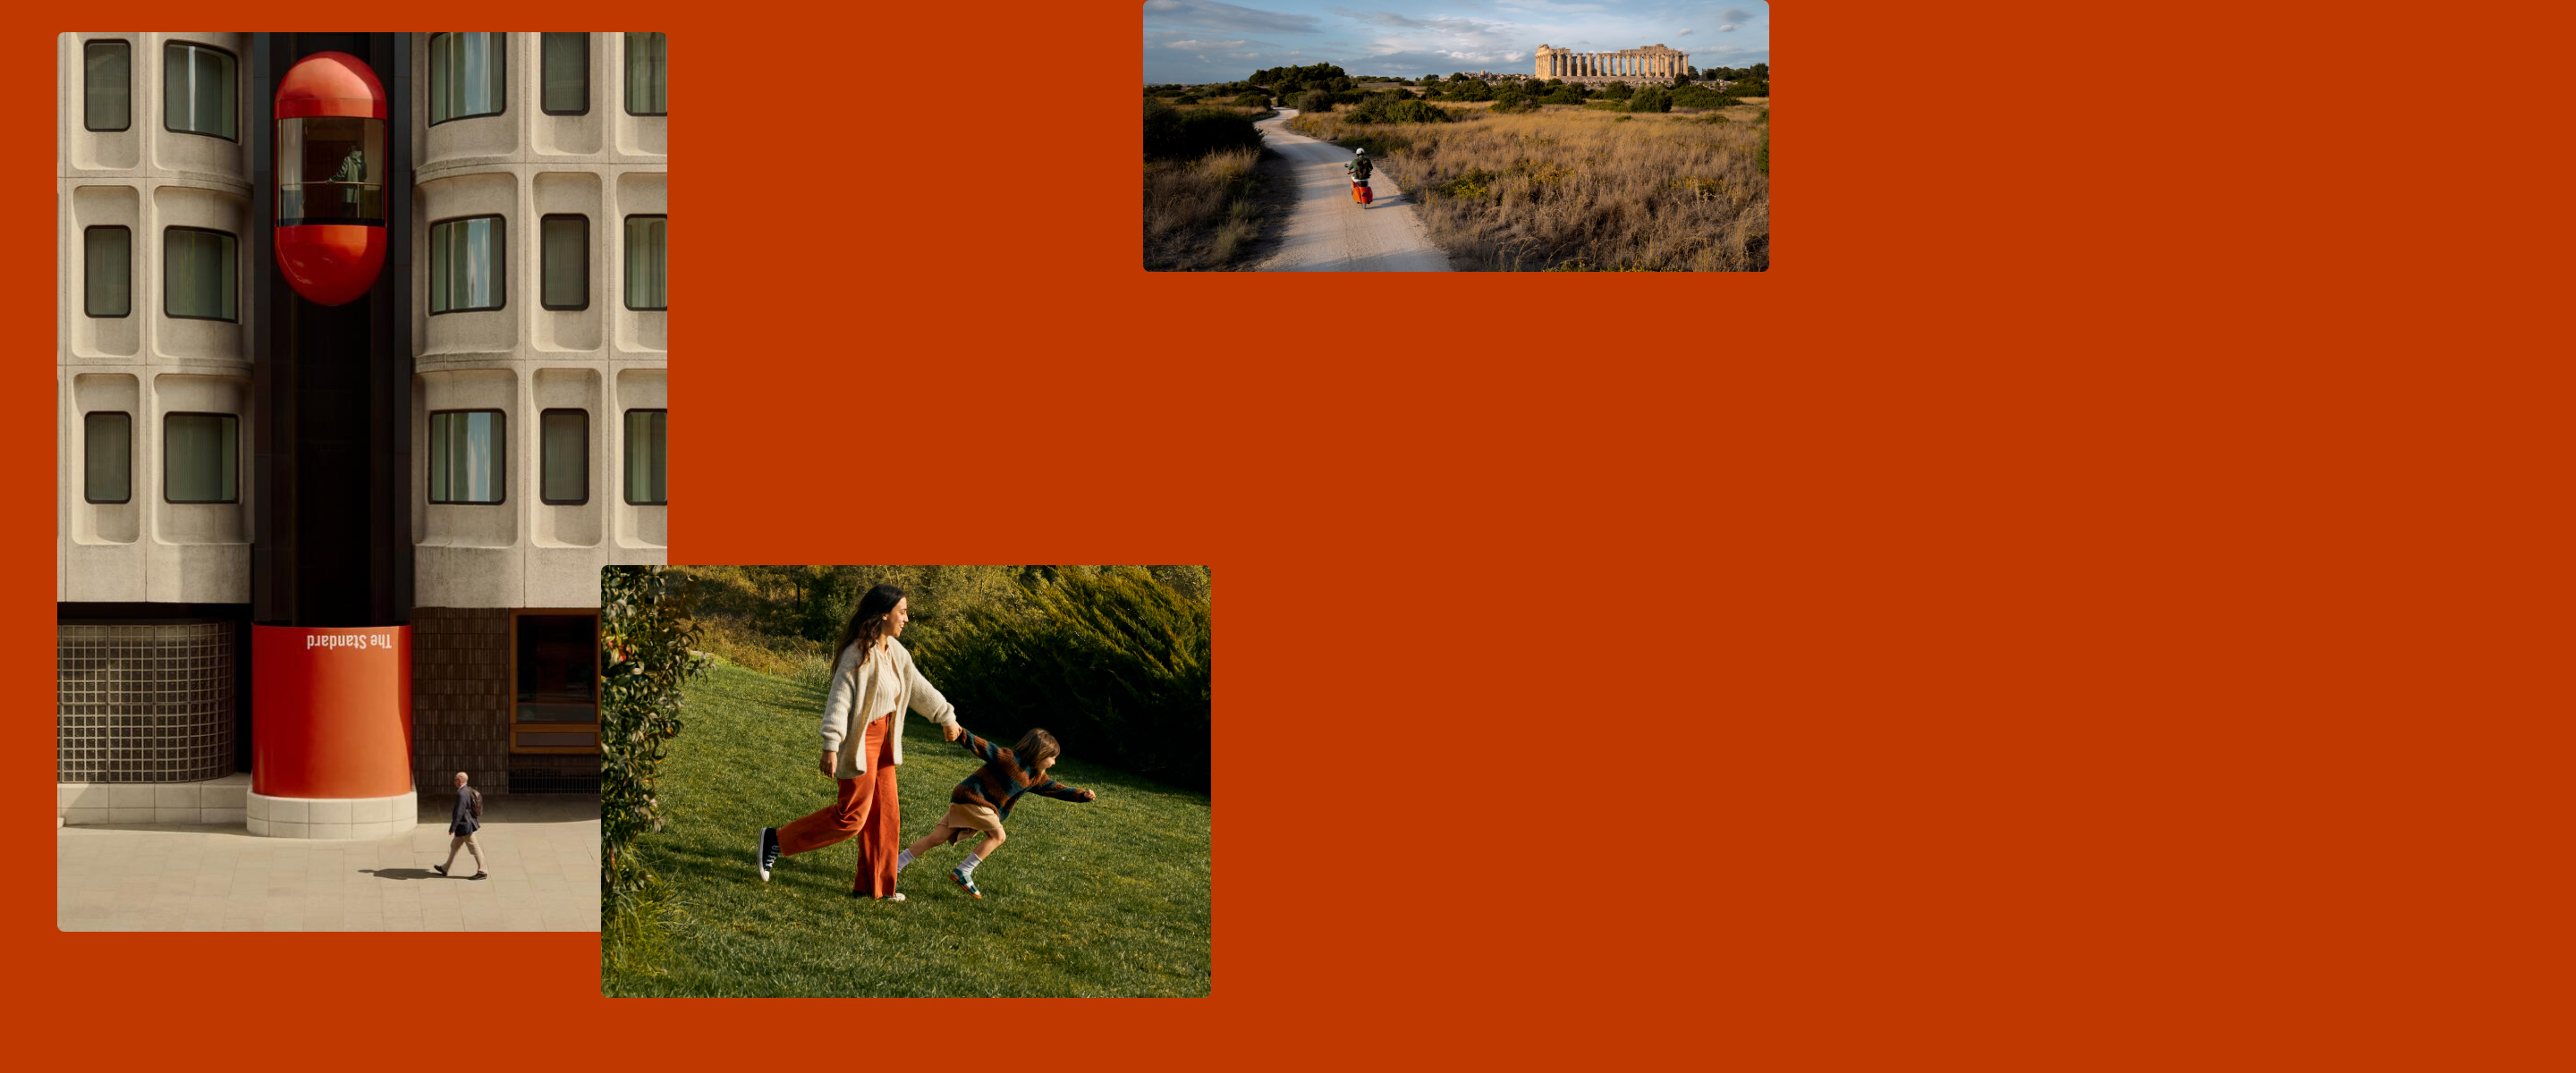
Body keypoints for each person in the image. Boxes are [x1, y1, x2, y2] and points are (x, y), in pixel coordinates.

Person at [755, 585, 963, 900]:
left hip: (886, 740)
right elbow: (839, 701)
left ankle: (873, 888)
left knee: (886, 816)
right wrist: (830, 745)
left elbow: (919, 689)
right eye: (903, 612)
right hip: (862, 740)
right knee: (851, 817)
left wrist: (947, 717)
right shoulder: (857, 653)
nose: (907, 618)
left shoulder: (896, 652)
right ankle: (776, 840)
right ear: (884, 614)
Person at [894, 726, 1097, 899]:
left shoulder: (1035, 777)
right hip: (973, 798)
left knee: (937, 837)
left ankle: (895, 865)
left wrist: (1081, 795)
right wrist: (960, 732)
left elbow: (1055, 789)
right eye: (1052, 758)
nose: (1054, 763)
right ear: (1040, 753)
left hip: (965, 799)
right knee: (998, 836)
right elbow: (984, 747)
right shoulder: (1010, 760)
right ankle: (963, 871)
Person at [434, 772, 486, 880]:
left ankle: (482, 871)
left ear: (460, 781)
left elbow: (459, 812)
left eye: (455, 780)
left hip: (465, 826)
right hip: (465, 824)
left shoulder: (462, 794)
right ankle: (445, 868)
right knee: (454, 846)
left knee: (474, 848)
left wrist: (452, 828)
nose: (454, 782)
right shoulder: (467, 790)